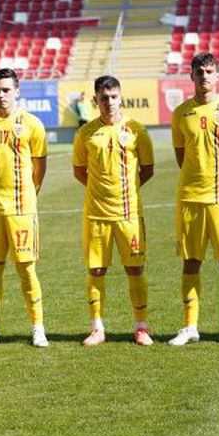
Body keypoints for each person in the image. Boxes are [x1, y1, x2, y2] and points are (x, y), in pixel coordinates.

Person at [168, 52, 219, 346]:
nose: (204, 76)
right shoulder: (180, 113)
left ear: (218, 76)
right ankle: (190, 327)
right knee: (191, 262)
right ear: (191, 76)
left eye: (209, 71)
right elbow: (182, 156)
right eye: (199, 71)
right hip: (190, 198)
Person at [72, 76, 155, 347]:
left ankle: (141, 327)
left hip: (129, 214)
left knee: (135, 270)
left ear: (121, 98)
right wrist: (100, 191)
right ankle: (97, 328)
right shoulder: (85, 134)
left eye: (113, 97)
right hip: (96, 215)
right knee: (96, 271)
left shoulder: (136, 130)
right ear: (95, 100)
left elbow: (148, 169)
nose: (109, 102)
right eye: (104, 97)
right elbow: (79, 171)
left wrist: (125, 192)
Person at [0, 68, 48, 348]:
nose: (1, 95)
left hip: (22, 209)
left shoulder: (32, 124)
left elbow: (39, 169)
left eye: (6, 90)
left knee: (26, 270)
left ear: (17, 91)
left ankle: (38, 328)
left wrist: (25, 194)